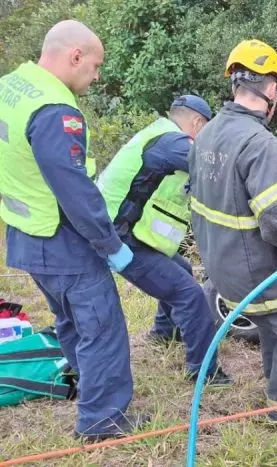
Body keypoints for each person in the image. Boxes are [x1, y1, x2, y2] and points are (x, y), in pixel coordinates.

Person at [0, 20, 144, 441]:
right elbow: (75, 191)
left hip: (25, 233)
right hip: (62, 239)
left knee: (69, 320)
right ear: (75, 56)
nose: (96, 77)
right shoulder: (54, 111)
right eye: (95, 66)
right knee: (102, 327)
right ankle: (103, 420)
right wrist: (109, 243)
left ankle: (86, 382)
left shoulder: (11, 86)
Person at [188, 39, 277, 423]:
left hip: (222, 267)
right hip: (255, 269)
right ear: (268, 88)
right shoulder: (259, 143)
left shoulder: (210, 133)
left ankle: (275, 387)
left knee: (275, 326)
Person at [95, 95, 231, 385]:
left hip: (119, 228)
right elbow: (217, 170)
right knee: (191, 296)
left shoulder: (157, 133)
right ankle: (204, 372)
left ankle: (164, 332)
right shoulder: (174, 142)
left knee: (181, 270)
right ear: (197, 122)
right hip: (116, 238)